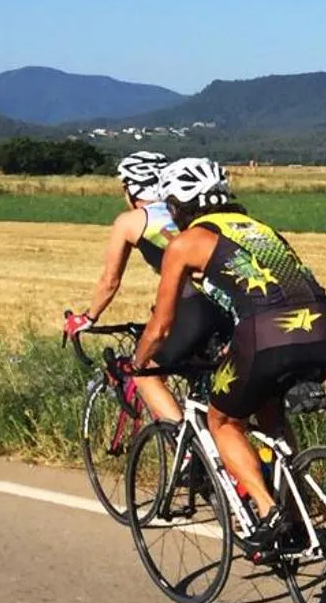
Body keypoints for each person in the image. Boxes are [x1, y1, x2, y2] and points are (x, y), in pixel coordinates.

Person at [136, 157, 326, 551]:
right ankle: (297, 514)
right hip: (323, 331)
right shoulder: (259, 230)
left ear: (178, 206)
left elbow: (161, 325)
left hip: (267, 336)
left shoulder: (186, 243)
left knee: (224, 421)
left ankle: (269, 512)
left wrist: (138, 363)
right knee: (270, 413)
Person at [62, 151, 231, 424]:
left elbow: (110, 281)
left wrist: (87, 317)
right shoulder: (190, 211)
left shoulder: (131, 221)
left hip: (194, 309)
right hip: (231, 305)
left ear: (131, 188)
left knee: (144, 375)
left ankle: (181, 442)